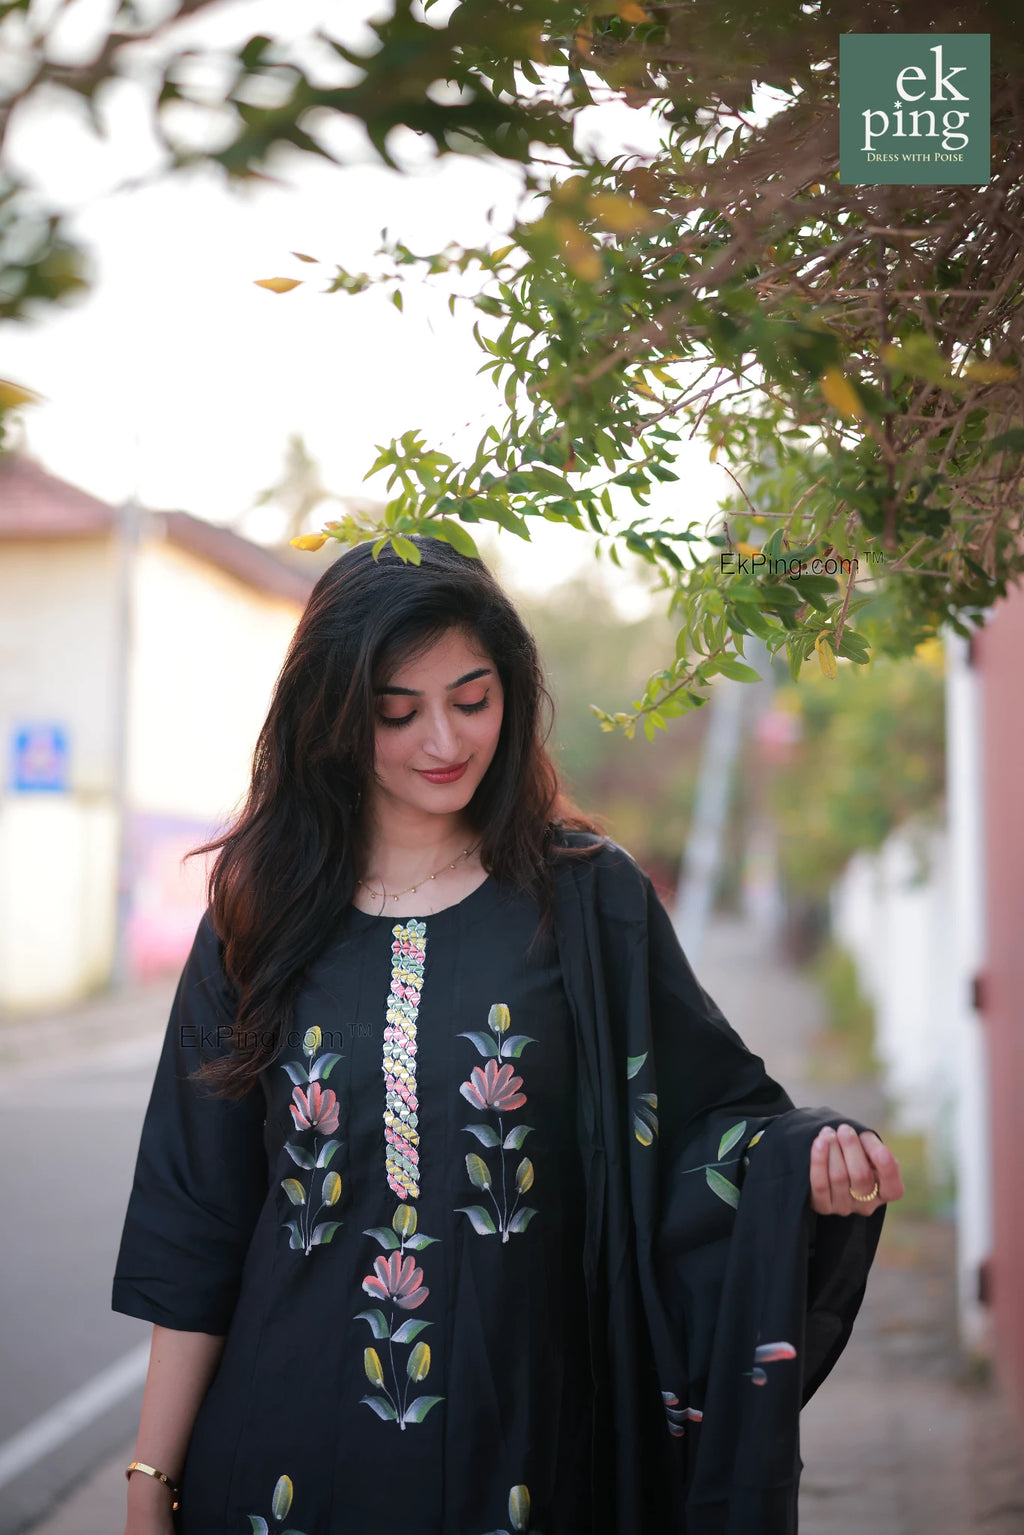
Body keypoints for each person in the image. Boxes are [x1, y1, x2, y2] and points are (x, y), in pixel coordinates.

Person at [112, 537, 903, 1535]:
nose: (440, 739)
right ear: (331, 717)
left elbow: (709, 1120)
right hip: (281, 1461)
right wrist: (150, 1476)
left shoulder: (586, 900)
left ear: (513, 693)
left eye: (470, 698)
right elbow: (198, 1219)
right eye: (395, 711)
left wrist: (809, 1158)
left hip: (527, 1452)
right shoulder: (259, 914)